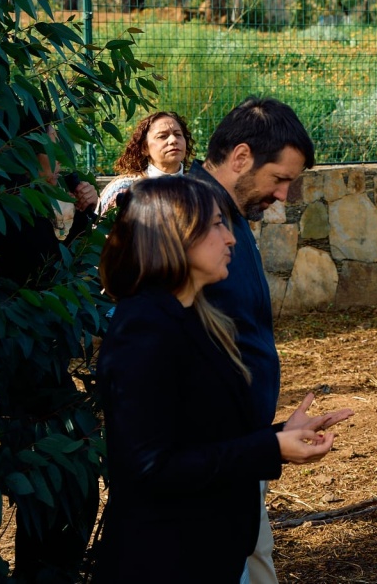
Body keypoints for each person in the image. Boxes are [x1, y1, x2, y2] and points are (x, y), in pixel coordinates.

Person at [94, 176, 343, 583]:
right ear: (173, 234)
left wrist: (281, 435)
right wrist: (270, 446)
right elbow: (151, 467)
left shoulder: (195, 317)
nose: (231, 239)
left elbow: (201, 436)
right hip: (166, 561)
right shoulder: (144, 330)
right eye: (216, 225)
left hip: (210, 553)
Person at [188, 96, 347, 584]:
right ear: (240, 158)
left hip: (241, 451)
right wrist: (260, 444)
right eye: (278, 179)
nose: (283, 195)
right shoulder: (189, 219)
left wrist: (271, 432)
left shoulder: (227, 213)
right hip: (208, 466)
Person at [0, 135, 101, 583]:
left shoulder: (17, 210)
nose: (60, 165)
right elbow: (57, 277)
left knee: (64, 488)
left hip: (34, 371)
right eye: (51, 153)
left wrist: (84, 215)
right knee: (65, 486)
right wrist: (85, 219)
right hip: (26, 375)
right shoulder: (9, 217)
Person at [97, 111, 194, 215]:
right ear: (144, 148)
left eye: (178, 134)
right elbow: (97, 228)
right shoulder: (123, 188)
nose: (173, 140)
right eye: (162, 136)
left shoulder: (200, 188)